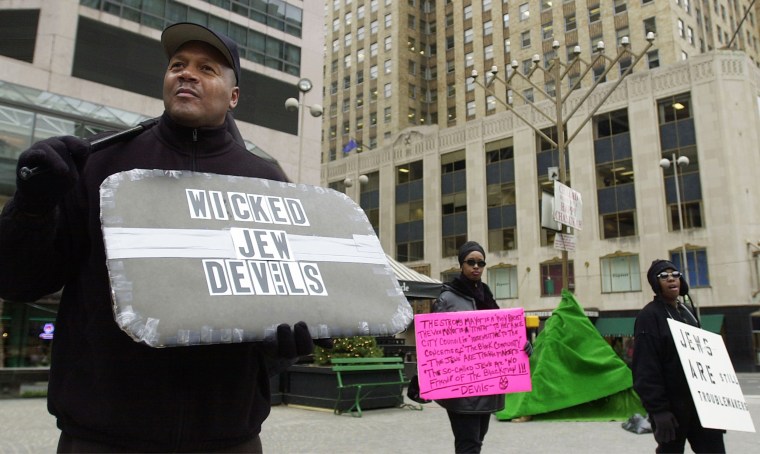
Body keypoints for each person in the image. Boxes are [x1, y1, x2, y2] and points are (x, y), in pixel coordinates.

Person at [0, 23, 319, 452]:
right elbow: (18, 281)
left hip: (227, 438)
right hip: (102, 437)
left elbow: (284, 295)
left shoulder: (266, 183)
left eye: (206, 68)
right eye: (177, 65)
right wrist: (31, 207)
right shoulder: (97, 163)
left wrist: (282, 347)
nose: (187, 74)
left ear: (234, 96)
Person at [432, 241, 533, 454]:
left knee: (478, 440)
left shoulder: (486, 295)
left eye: (481, 262)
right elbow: (434, 343)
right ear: (461, 265)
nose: (476, 266)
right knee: (468, 444)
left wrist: (521, 345)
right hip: (461, 388)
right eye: (471, 262)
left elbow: (502, 335)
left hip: (487, 386)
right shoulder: (446, 299)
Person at [632, 259, 725, 453]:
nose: (671, 279)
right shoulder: (649, 316)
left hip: (701, 405)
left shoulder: (688, 313)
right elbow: (645, 368)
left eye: (675, 274)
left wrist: (718, 402)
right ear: (656, 284)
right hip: (672, 409)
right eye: (663, 276)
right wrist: (658, 410)